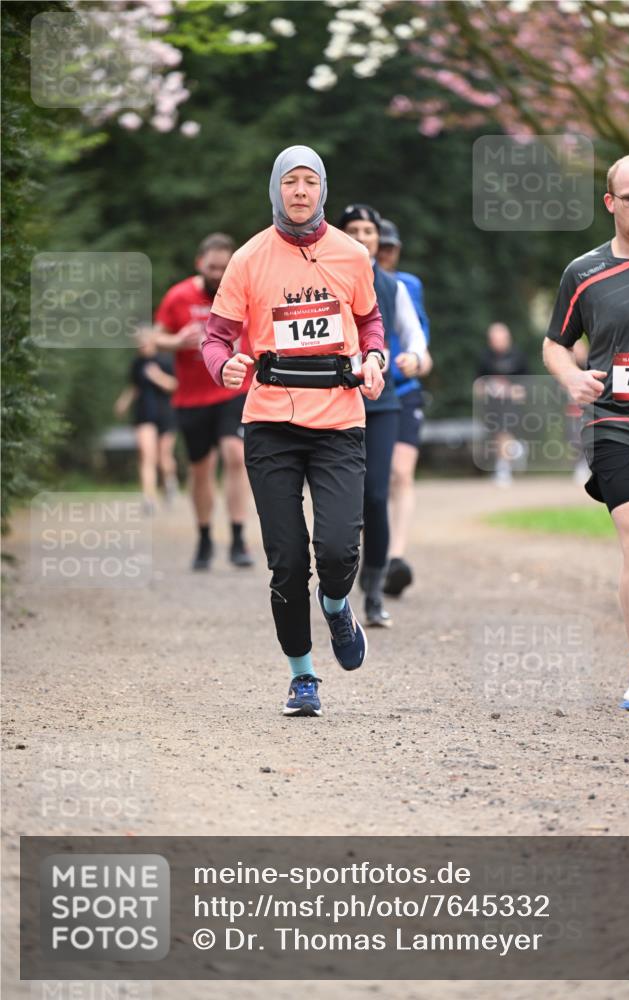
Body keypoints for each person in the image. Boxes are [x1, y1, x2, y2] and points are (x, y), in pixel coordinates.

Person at [201, 145, 386, 717]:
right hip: (270, 425)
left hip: (338, 422)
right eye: (290, 182)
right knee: (286, 558)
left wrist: (375, 358)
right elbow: (216, 337)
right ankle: (302, 676)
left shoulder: (353, 254)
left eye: (310, 182)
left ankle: (336, 604)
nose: (300, 192)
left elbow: (370, 322)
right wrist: (224, 365)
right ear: (276, 189)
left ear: (322, 190)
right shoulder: (250, 258)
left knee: (335, 549)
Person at [543, 153, 629, 713]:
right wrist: (571, 376)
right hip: (615, 425)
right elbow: (555, 343)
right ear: (610, 202)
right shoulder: (584, 272)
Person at [338, 205, 427, 626]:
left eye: (368, 231)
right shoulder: (323, 279)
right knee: (341, 502)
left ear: (378, 240)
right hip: (333, 403)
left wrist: (413, 358)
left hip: (382, 404)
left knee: (376, 495)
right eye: (352, 230)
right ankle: (337, 583)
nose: (361, 236)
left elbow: (416, 342)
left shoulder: (393, 287)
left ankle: (373, 591)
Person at [153, 233, 254, 570]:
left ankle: (239, 539)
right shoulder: (178, 296)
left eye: (224, 268)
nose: (218, 274)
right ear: (200, 264)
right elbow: (153, 339)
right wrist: (176, 342)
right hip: (193, 397)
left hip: (234, 389)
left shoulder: (243, 292)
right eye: (212, 267)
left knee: (235, 456)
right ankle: (205, 537)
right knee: (201, 469)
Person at [376, 218, 433, 597]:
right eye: (381, 246)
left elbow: (422, 344)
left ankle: (395, 558)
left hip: (404, 388)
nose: (385, 253)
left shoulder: (409, 286)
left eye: (391, 247)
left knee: (400, 473)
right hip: (364, 392)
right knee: (370, 483)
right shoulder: (346, 279)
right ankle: (370, 559)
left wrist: (419, 362)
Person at [113, 327, 178, 513]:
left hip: (165, 413)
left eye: (144, 341)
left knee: (163, 458)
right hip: (143, 413)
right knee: (146, 455)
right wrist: (123, 402)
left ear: (152, 342)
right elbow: (134, 387)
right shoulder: (136, 364)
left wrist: (157, 377)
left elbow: (174, 386)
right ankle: (149, 498)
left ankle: (169, 481)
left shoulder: (165, 361)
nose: (141, 346)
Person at [475, 322, 530, 487]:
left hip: (512, 405)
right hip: (492, 405)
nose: (497, 342)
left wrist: (512, 390)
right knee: (498, 434)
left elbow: (527, 386)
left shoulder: (518, 357)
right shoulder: (485, 357)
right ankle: (516, 450)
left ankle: (503, 468)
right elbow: (478, 385)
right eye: (493, 339)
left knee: (503, 431)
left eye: (500, 339)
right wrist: (488, 388)